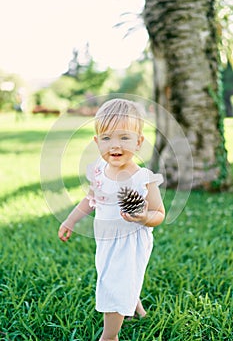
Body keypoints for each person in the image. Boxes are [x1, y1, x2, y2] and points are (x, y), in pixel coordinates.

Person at [58, 98, 165, 341]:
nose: (114, 145)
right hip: (105, 238)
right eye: (106, 138)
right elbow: (91, 199)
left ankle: (109, 336)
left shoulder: (143, 179)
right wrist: (70, 220)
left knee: (114, 283)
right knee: (114, 275)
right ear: (97, 142)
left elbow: (159, 214)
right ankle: (135, 304)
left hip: (131, 240)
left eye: (124, 138)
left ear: (139, 142)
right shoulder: (99, 171)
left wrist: (143, 217)